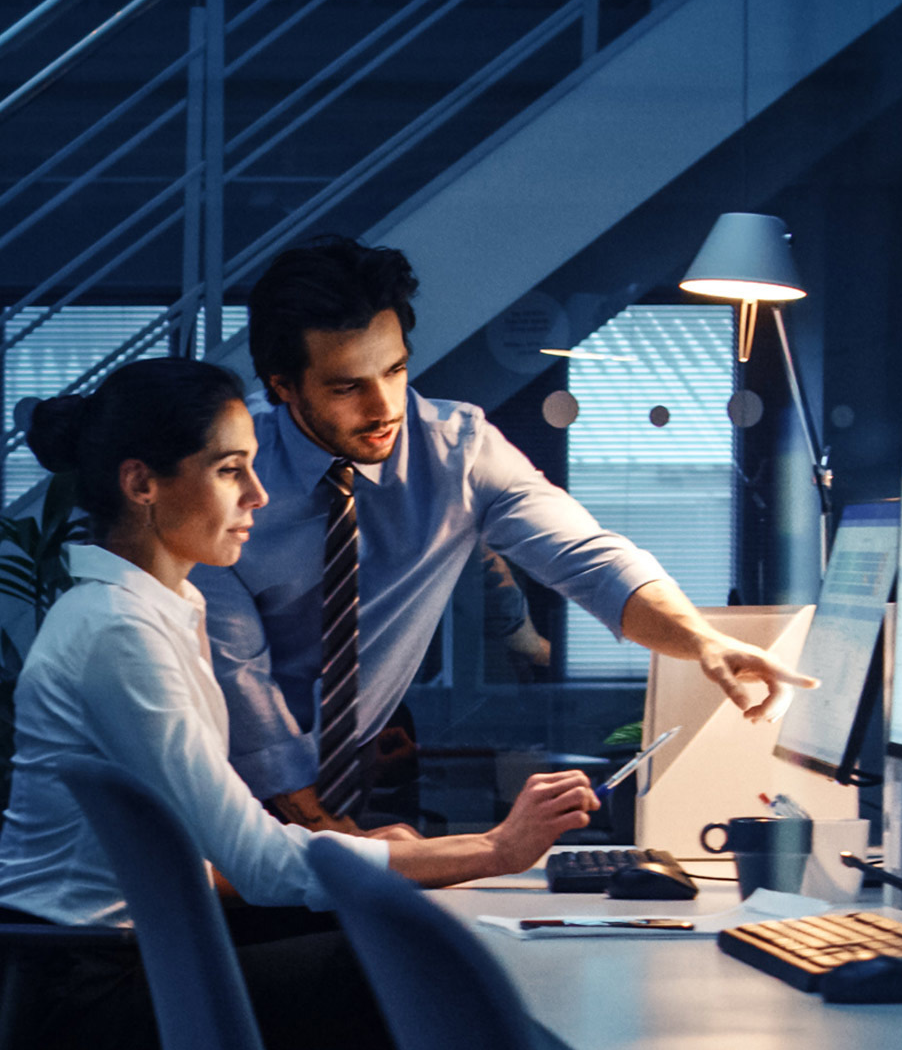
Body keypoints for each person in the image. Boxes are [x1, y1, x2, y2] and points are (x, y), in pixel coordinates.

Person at [0, 355, 601, 1050]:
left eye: (255, 470)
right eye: (229, 472)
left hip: (83, 976)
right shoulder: (124, 632)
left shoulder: (149, 610)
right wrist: (485, 851)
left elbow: (212, 853)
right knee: (396, 975)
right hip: (65, 1004)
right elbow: (259, 861)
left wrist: (394, 857)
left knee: (385, 951)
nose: (260, 496)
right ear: (141, 484)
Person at [201, 235, 812, 833]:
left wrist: (703, 643)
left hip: (332, 798)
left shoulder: (456, 452)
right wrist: (350, 849)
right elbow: (239, 684)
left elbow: (591, 560)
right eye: (346, 387)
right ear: (283, 386)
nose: (384, 405)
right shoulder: (226, 480)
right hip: (202, 783)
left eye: (395, 371)